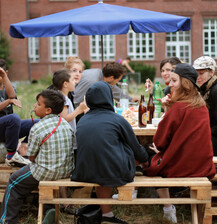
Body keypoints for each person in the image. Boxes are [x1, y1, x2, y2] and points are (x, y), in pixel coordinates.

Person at [145, 63, 216, 223]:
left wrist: (168, 109)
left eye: (174, 81)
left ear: (185, 84)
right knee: (152, 152)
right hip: (202, 165)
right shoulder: (201, 105)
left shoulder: (178, 107)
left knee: (148, 157)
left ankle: (168, 207)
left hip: (182, 165)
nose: (170, 85)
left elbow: (160, 141)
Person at [71, 81, 149, 224]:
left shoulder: (82, 120)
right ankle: (137, 173)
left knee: (103, 155)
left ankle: (107, 214)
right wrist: (145, 159)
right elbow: (136, 148)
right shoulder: (117, 119)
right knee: (124, 150)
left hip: (84, 171)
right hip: (115, 172)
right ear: (109, 97)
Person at [0, 89, 74, 224]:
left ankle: (7, 220)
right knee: (44, 180)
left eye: (38, 104)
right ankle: (49, 209)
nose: (35, 106)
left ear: (48, 110)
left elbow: (32, 158)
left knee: (14, 182)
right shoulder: (65, 124)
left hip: (46, 171)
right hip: (65, 171)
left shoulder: (37, 128)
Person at [0, 59, 35, 167]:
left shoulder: (8, 86)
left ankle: (23, 150)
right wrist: (8, 101)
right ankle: (11, 155)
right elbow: (11, 100)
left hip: (9, 130)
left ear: (6, 73)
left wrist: (4, 77)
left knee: (37, 123)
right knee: (14, 118)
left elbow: (12, 96)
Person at [73, 62, 138, 110]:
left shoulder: (103, 76)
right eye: (118, 80)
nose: (118, 82)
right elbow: (76, 101)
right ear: (111, 78)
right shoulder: (92, 81)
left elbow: (114, 90)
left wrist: (130, 99)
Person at [193, 56, 217, 156]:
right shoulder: (205, 88)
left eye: (202, 73)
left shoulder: (214, 90)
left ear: (212, 72)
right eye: (196, 73)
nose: (198, 77)